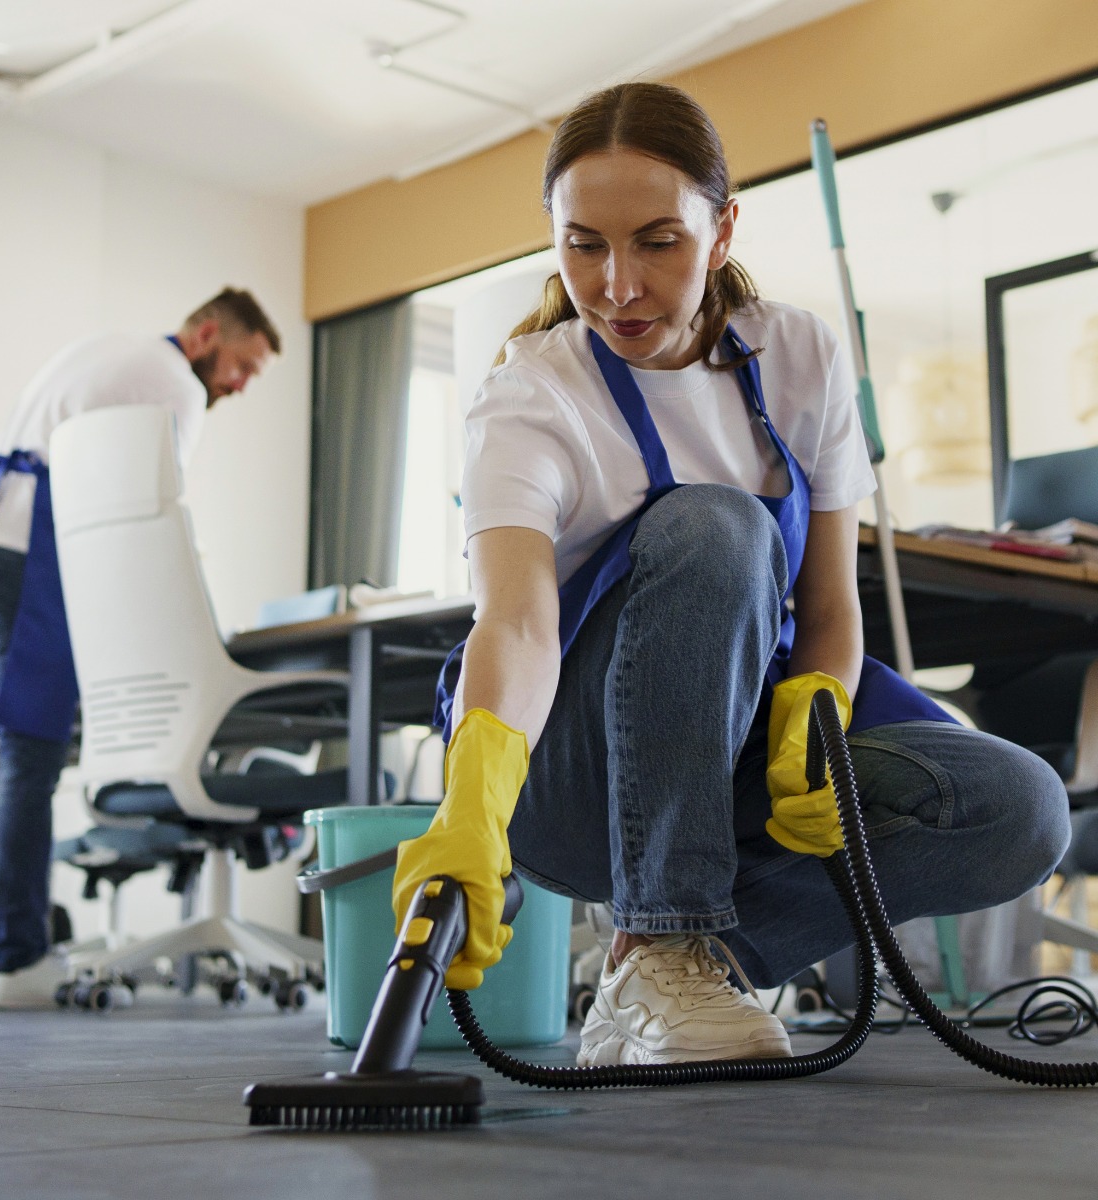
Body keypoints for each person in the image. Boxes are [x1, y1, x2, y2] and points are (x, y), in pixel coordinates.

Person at [392, 83, 1070, 1066]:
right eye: (584, 245)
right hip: (571, 779)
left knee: (1018, 811)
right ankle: (659, 934)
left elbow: (830, 607)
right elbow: (519, 624)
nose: (618, 285)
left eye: (657, 242)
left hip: (737, 756)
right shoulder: (531, 397)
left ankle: (679, 965)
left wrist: (817, 704)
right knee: (717, 524)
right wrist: (473, 801)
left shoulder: (798, 355)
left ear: (722, 231)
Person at [0, 287, 280, 1010]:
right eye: (243, 366)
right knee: (30, 754)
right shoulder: (174, 384)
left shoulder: (104, 350)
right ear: (206, 334)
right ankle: (19, 962)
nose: (239, 385)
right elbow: (151, 518)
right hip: (24, 550)